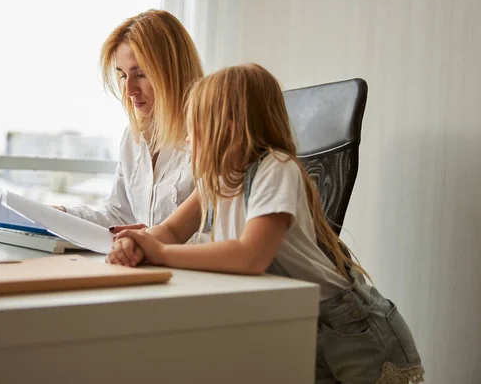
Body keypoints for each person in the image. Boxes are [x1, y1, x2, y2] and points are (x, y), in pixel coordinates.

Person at [107, 64, 425, 383]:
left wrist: (160, 253)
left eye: (194, 130)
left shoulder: (276, 168)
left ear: (228, 128)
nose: (188, 141)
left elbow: (251, 255)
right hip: (296, 319)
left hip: (350, 330)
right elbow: (172, 231)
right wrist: (138, 244)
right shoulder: (216, 180)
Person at [54, 9, 204, 230]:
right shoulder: (132, 138)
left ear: (173, 71)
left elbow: (220, 234)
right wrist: (62, 215)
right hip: (145, 263)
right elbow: (120, 215)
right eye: (123, 75)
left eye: (141, 74)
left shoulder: (209, 136)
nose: (129, 90)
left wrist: (150, 244)